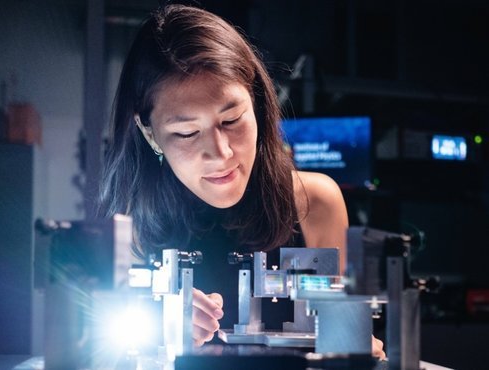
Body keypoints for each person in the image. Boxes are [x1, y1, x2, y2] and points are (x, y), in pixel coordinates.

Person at [99, 3, 385, 359]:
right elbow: (106, 352)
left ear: (257, 104)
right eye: (187, 133)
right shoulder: (133, 227)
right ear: (150, 133)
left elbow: (343, 336)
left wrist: (353, 347)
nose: (220, 154)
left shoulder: (315, 202)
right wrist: (161, 334)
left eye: (232, 120)